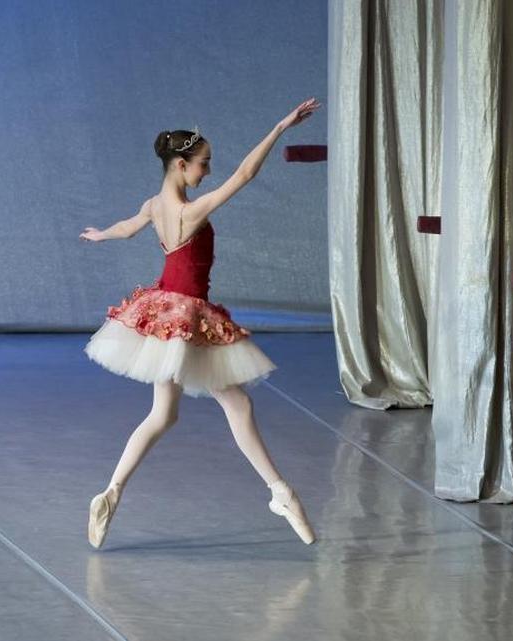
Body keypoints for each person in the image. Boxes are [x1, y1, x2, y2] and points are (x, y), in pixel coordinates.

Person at [79, 98, 322, 549]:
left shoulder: (155, 205)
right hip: (188, 316)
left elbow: (129, 227)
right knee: (239, 406)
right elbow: (246, 176)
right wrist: (279, 126)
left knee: (162, 414)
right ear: (180, 164)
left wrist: (101, 234)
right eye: (203, 164)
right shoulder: (192, 213)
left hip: (162, 313)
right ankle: (280, 492)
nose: (208, 172)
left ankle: (112, 492)